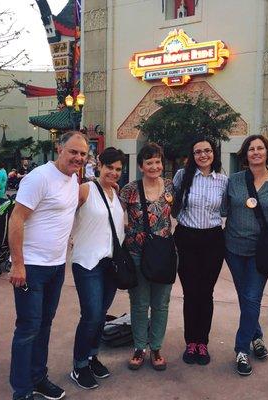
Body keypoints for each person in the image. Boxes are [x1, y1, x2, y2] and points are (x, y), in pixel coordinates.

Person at [8, 131, 88, 400]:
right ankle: (21, 391)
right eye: (73, 151)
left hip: (56, 266)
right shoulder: (39, 177)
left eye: (83, 154)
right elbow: (17, 219)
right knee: (28, 327)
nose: (78, 157)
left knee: (44, 325)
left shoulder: (73, 180)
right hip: (31, 266)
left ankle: (38, 378)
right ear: (59, 149)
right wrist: (18, 264)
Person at [224, 134, 268, 376]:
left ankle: (241, 348)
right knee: (246, 297)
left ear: (267, 152)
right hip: (233, 248)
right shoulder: (234, 181)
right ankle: (257, 336)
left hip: (263, 252)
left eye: (260, 148)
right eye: (251, 149)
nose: (256, 152)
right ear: (245, 154)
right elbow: (221, 208)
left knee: (251, 297)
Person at [70, 147, 126, 390]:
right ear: (99, 166)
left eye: (118, 169)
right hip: (87, 262)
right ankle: (79, 364)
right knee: (91, 315)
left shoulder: (116, 193)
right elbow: (63, 214)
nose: (113, 173)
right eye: (109, 167)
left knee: (101, 314)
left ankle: (92, 356)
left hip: (110, 264)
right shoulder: (85, 190)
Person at [119, 142, 174, 371]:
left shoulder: (171, 187)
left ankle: (157, 347)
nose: (154, 166)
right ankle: (140, 347)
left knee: (161, 304)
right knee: (140, 303)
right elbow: (113, 214)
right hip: (136, 254)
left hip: (163, 254)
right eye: (149, 162)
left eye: (157, 162)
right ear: (141, 166)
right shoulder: (130, 189)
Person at [172, 138, 228, 365]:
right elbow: (171, 203)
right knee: (190, 292)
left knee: (206, 293)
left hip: (213, 239)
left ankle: (202, 342)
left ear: (213, 153)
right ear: (192, 155)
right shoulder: (181, 177)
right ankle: (190, 342)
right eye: (197, 152)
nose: (203, 155)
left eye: (207, 151)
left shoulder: (223, 181)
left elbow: (225, 208)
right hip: (186, 238)